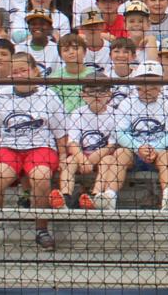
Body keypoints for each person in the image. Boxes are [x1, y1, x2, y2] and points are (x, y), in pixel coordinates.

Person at [0, 53, 67, 252]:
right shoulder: (2, 95)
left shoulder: (48, 95)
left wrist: (62, 156)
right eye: (15, 71)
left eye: (23, 70)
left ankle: (41, 230)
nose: (19, 74)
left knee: (41, 177)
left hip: (41, 147)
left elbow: (60, 131)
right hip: (9, 148)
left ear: (35, 70)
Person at [114, 60, 168, 211]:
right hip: (134, 152)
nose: (147, 89)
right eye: (143, 84)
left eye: (153, 84)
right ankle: (109, 196)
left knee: (167, 156)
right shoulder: (127, 103)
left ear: (161, 85)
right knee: (120, 153)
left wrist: (154, 148)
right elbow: (120, 133)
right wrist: (138, 147)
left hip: (160, 150)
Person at [52, 78, 125, 210]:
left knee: (108, 160)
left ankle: (95, 195)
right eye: (91, 92)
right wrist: (82, 160)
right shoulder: (77, 113)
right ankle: (65, 197)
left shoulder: (116, 114)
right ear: (83, 95)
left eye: (102, 91)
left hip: (104, 155)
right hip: (82, 155)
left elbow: (112, 145)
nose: (97, 95)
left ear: (109, 94)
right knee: (69, 162)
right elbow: (72, 142)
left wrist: (91, 160)